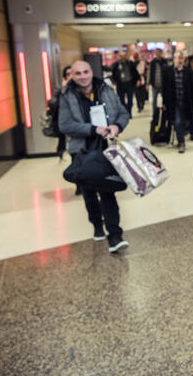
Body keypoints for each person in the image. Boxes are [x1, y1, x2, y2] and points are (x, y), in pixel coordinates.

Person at [59, 60, 130, 253]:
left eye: (86, 72)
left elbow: (123, 113)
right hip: (81, 152)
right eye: (78, 73)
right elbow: (64, 125)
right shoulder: (66, 96)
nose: (83, 76)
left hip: (105, 149)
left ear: (92, 72)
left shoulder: (105, 89)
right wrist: (93, 129)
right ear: (71, 76)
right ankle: (97, 224)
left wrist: (117, 126)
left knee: (107, 191)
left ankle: (115, 235)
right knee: (89, 193)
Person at [161, 50, 193, 153]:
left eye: (182, 58)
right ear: (174, 59)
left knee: (185, 123)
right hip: (174, 102)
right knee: (177, 123)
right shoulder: (168, 71)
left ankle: (180, 137)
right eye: (178, 58)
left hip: (186, 102)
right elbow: (164, 89)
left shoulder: (188, 71)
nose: (180, 60)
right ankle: (182, 143)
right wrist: (164, 103)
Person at [48, 65, 71, 159]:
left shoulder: (84, 88)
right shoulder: (61, 89)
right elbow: (53, 104)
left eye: (73, 73)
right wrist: (63, 90)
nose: (71, 76)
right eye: (68, 74)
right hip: (66, 125)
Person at [110, 51, 138, 116]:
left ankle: (129, 112)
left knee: (130, 100)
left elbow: (135, 72)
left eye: (124, 56)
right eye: (121, 56)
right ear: (119, 57)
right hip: (120, 84)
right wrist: (115, 81)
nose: (122, 58)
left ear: (125, 57)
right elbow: (113, 74)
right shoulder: (116, 64)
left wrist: (136, 81)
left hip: (129, 84)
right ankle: (125, 112)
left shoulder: (130, 63)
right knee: (121, 100)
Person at [147, 48, 168, 122]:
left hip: (163, 85)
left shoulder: (164, 62)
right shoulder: (152, 63)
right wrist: (148, 84)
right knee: (154, 102)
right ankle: (154, 117)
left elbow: (168, 72)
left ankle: (165, 116)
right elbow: (149, 74)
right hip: (154, 85)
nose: (157, 54)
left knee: (165, 101)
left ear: (161, 53)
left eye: (159, 52)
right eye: (156, 52)